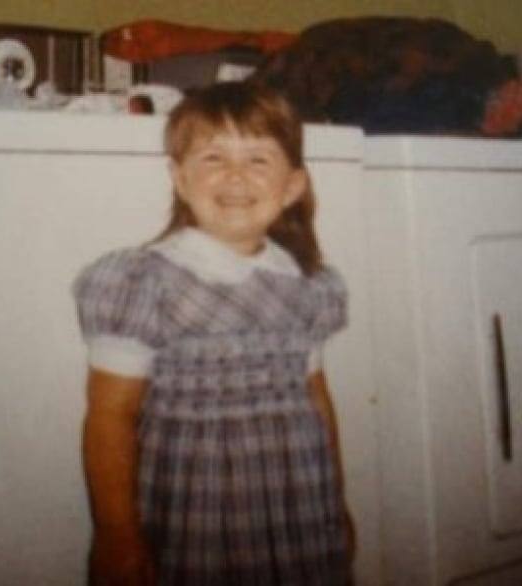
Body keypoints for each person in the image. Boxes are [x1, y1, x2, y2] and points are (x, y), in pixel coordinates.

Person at [73, 81, 354, 586]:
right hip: (198, 512)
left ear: (292, 186)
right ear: (180, 179)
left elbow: (318, 398)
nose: (235, 177)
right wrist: (116, 534)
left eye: (259, 161)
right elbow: (110, 414)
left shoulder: (307, 285)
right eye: (214, 158)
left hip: (301, 508)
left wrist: (339, 504)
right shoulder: (145, 281)